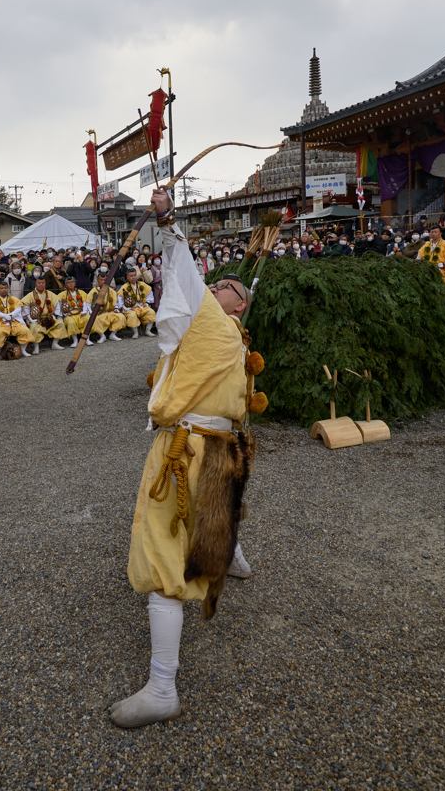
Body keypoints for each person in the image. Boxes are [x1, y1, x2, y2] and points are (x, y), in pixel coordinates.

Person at [109, 188, 256, 729]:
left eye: (227, 287)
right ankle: (231, 559)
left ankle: (162, 686)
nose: (215, 288)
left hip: (186, 452)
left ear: (238, 305)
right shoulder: (232, 343)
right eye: (215, 285)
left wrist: (169, 221)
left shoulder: (216, 328)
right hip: (218, 452)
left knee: (163, 554)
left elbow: (185, 272)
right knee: (212, 524)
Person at [0, 280, 33, 358]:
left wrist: (11, 315)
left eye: (5, 288)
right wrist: (4, 316)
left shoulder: (14, 299)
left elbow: (19, 309)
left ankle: (23, 350)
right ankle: (1, 352)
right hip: (0, 322)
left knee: (25, 330)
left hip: (14, 321)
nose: (4, 290)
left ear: (8, 289)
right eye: (2, 288)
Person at [20, 276, 68, 352]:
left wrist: (55, 316)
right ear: (36, 284)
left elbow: (57, 306)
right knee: (33, 327)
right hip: (36, 319)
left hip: (49, 318)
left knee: (60, 323)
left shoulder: (51, 294)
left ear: (45, 284)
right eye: (39, 283)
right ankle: (36, 347)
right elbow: (26, 309)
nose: (41, 285)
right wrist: (31, 320)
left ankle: (55, 344)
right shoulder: (30, 295)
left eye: (43, 283)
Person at [84, 274, 126, 343]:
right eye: (101, 280)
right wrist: (93, 312)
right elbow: (88, 304)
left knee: (121, 316)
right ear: (97, 281)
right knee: (94, 319)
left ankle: (112, 335)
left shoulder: (111, 291)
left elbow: (116, 302)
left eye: (104, 280)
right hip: (99, 314)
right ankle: (102, 336)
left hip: (110, 312)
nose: (103, 282)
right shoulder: (93, 291)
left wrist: (116, 309)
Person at [117, 266, 157, 339]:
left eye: (135, 275)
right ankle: (135, 333)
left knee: (151, 312)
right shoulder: (124, 287)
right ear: (127, 277)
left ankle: (148, 330)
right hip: (131, 308)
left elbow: (149, 294)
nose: (133, 277)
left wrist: (147, 304)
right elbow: (120, 301)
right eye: (131, 276)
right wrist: (126, 308)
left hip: (142, 306)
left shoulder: (142, 284)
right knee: (132, 315)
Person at [54, 275, 91, 348]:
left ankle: (87, 339)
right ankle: (75, 340)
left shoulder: (81, 292)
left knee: (87, 318)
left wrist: (85, 311)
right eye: (68, 282)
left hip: (80, 312)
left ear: (75, 283)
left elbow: (86, 303)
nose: (70, 284)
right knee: (70, 322)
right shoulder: (62, 294)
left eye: (72, 282)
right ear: (66, 285)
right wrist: (65, 313)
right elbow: (59, 306)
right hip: (70, 314)